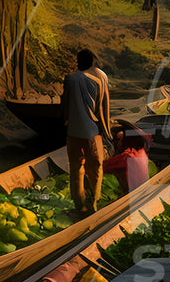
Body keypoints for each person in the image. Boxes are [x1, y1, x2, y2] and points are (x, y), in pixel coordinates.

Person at [63, 48, 112, 215]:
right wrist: (107, 133)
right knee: (96, 169)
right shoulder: (99, 80)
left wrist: (65, 124)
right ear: (92, 63)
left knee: (76, 169)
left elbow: (64, 107)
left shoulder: (69, 79)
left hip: (72, 133)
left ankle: (80, 205)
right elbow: (102, 110)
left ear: (78, 63)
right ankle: (93, 204)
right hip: (91, 133)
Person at [103, 123, 152, 195]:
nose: (117, 143)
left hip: (132, 197)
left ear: (127, 139)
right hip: (142, 193)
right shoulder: (141, 152)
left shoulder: (127, 156)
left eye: (119, 139)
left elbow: (102, 167)